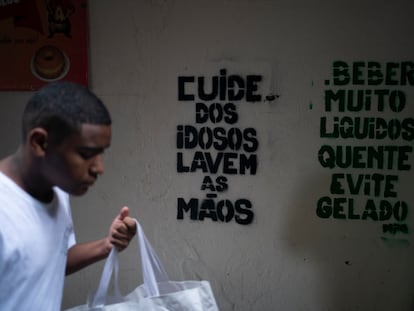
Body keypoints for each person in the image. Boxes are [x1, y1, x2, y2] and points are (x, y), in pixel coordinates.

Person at [0, 81, 137, 310]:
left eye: (102, 153)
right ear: (40, 143)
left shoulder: (57, 191)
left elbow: (51, 260)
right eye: (86, 154)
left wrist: (107, 244)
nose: (99, 168)